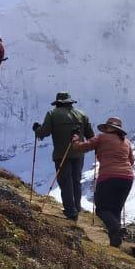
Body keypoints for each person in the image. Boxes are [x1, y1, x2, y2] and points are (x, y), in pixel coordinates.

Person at [70, 117, 135, 247]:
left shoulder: (101, 138)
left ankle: (116, 228)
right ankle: (115, 242)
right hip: (127, 177)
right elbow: (131, 161)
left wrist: (75, 138)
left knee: (101, 209)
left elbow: (81, 147)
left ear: (109, 128)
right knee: (115, 209)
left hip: (108, 176)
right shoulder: (126, 142)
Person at [33, 92, 94, 221]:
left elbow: (44, 132)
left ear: (58, 103)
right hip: (79, 154)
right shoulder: (82, 115)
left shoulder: (52, 114)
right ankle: (76, 207)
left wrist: (37, 129)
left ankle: (70, 211)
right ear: (70, 102)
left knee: (65, 182)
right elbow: (91, 136)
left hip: (62, 154)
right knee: (76, 181)